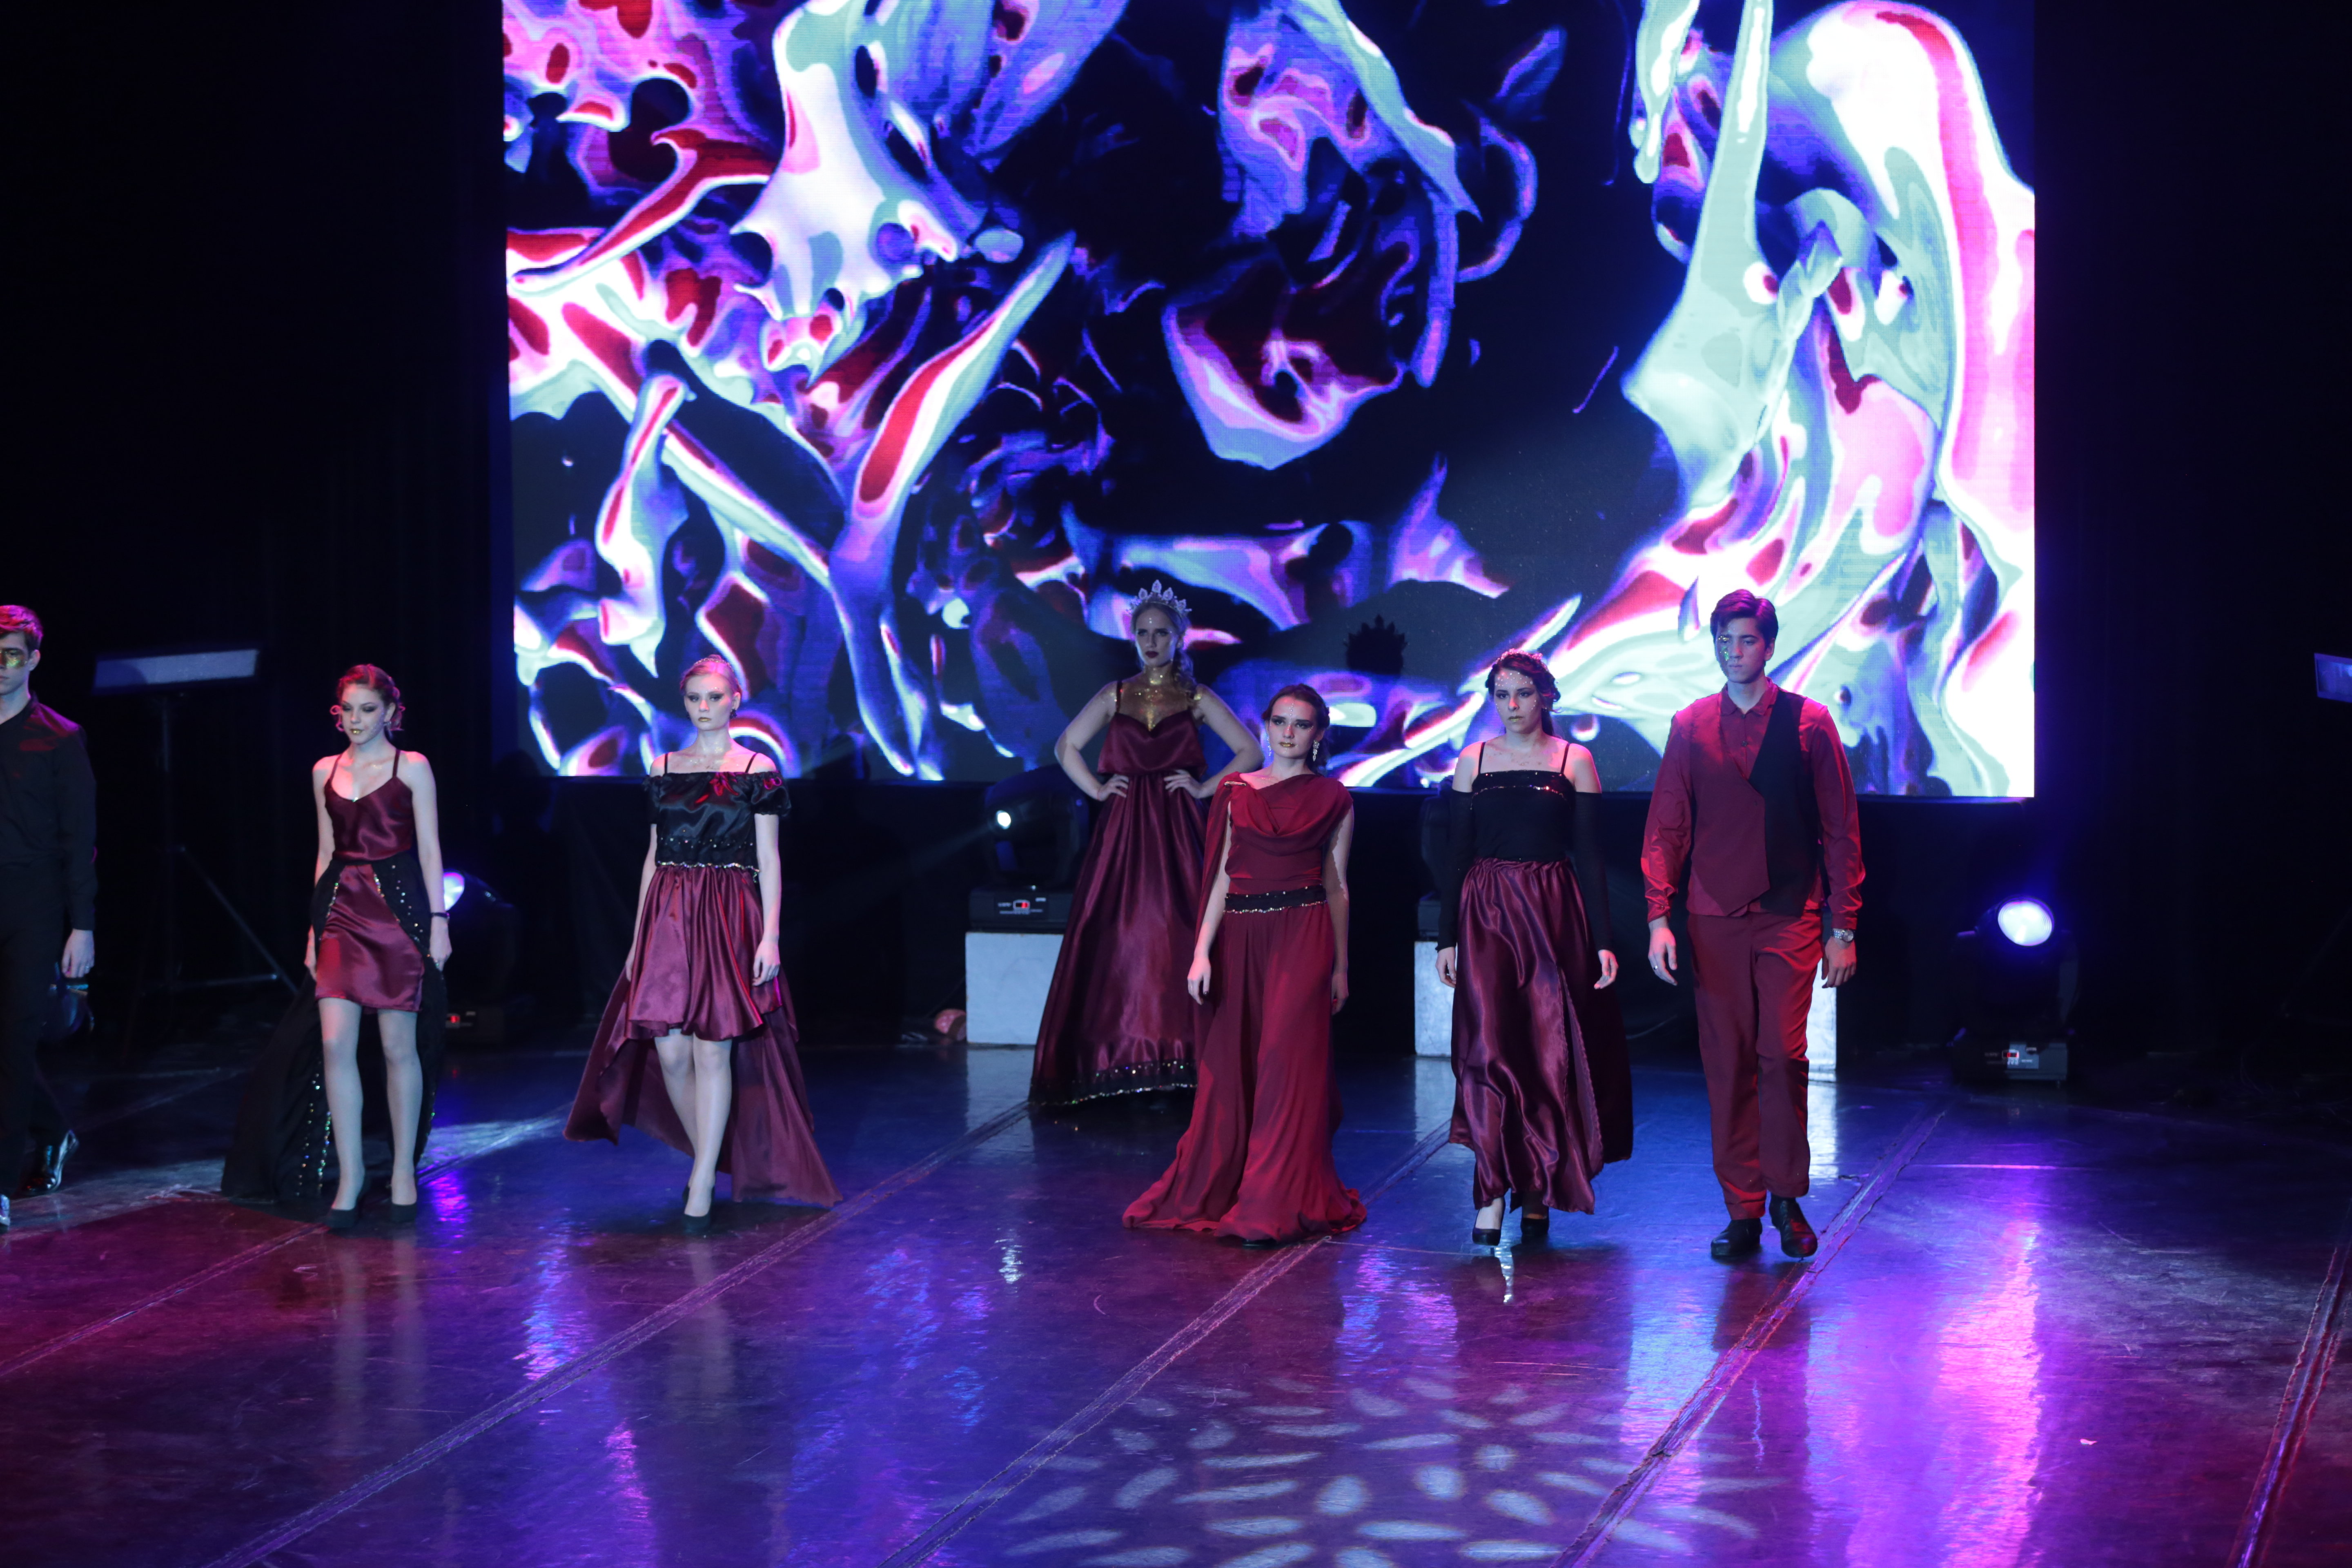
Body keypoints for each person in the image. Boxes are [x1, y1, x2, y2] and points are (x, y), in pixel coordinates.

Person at [566, 656, 840, 1231]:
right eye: (695, 698)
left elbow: (770, 859)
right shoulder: (664, 766)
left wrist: (770, 935)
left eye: (715, 697)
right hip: (668, 911)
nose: (704, 707)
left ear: (736, 699)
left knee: (713, 1048)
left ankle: (702, 1182)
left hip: (729, 910)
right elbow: (652, 856)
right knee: (670, 1051)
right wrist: (638, 936)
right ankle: (708, 1160)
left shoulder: (757, 769)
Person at [1641, 591, 1862, 1261]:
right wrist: (1658, 916)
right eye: (1724, 641)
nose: (1734, 653)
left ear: (1768, 646)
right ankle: (1742, 1210)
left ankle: (1787, 1198)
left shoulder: (1809, 722)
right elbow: (1668, 826)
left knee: (1782, 1056)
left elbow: (1840, 830)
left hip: (1789, 912)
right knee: (1728, 1061)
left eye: (1745, 641)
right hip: (1713, 916)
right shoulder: (1691, 725)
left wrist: (1843, 927)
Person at [1125, 684, 1363, 1247]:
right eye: (1280, 722)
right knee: (1233, 1069)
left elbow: (1337, 887)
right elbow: (1222, 878)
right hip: (1240, 936)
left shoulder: (1334, 798)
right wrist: (1201, 951)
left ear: (1319, 733)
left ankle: (1272, 1202)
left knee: (1286, 1065)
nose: (1288, 733)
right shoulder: (1235, 790)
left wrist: (1341, 966)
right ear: (1267, 726)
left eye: (1301, 724)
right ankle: (1232, 1185)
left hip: (1303, 934)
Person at [221, 666, 450, 1228]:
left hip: (397, 909)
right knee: (333, 1045)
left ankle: (402, 1170)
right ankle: (350, 1176)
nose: (355, 720)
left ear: (390, 712)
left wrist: (439, 920)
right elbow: (325, 853)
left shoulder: (411, 767)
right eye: (347, 710)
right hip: (341, 908)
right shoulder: (324, 770)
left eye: (367, 709)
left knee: (397, 1048)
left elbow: (429, 850)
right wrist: (313, 928)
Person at [1032, 583, 1263, 1105]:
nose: (1152, 642)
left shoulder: (1196, 697)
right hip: (1124, 827)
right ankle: (1119, 1056)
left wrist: (1204, 788)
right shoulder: (1116, 694)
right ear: (1134, 638)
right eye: (1143, 634)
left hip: (1176, 824)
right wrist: (1097, 790)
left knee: (1177, 928)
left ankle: (1186, 1055)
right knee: (1120, 932)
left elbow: (1249, 751)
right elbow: (1067, 746)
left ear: (1179, 638)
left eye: (1161, 633)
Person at [1434, 652, 1631, 1249]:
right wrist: (1446, 936)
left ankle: (1540, 1188)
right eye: (1502, 694)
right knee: (1488, 1051)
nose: (1513, 705)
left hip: (1551, 913)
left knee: (1546, 1052)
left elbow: (1589, 857)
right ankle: (1492, 1191)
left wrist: (1603, 941)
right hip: (1487, 915)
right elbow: (1457, 855)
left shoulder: (1574, 760)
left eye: (1523, 693)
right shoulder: (1474, 760)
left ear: (1546, 695)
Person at [0, 606, 95, 1231]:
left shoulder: (58, 737)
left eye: (10, 654)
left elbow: (79, 838)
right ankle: (53, 1127)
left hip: (32, 906)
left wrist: (82, 925)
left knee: (12, 1042)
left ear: (32, 659)